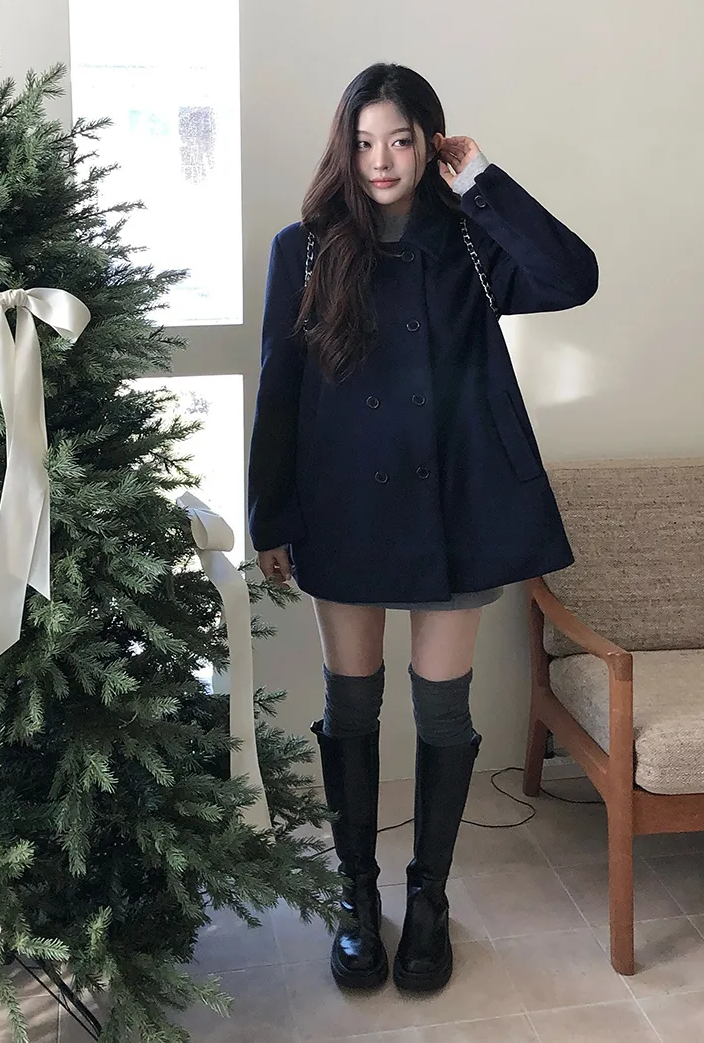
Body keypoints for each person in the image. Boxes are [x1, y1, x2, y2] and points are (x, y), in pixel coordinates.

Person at [248, 63, 598, 993]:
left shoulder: (471, 238)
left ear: (429, 142)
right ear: (345, 147)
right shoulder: (305, 248)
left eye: (400, 140)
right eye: (365, 142)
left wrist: (479, 180)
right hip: (341, 507)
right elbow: (279, 386)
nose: (382, 160)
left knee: (443, 711)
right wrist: (270, 516)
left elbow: (573, 277)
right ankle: (357, 900)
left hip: (454, 508)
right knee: (351, 706)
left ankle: (430, 900)